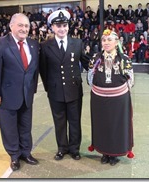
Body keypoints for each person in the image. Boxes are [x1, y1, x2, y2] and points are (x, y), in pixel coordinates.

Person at [0, 13, 40, 171]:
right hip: (7, 96)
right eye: (21, 25)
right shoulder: (0, 43)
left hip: (26, 95)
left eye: (27, 26)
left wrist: (33, 89)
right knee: (9, 128)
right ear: (11, 26)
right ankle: (14, 155)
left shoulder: (33, 44)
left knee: (25, 126)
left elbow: (33, 70)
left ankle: (26, 152)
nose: (24, 29)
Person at [39, 10, 89, 161]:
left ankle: (74, 148)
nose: (62, 29)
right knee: (59, 121)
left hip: (74, 89)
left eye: (65, 25)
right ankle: (62, 148)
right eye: (58, 26)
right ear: (52, 28)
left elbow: (88, 63)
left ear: (68, 26)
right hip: (55, 90)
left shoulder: (77, 43)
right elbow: (43, 70)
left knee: (75, 120)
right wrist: (49, 88)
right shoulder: (45, 46)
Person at [87, 29, 134, 166]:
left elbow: (130, 78)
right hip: (99, 99)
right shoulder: (95, 58)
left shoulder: (124, 59)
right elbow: (90, 77)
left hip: (119, 100)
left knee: (117, 126)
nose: (106, 42)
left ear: (116, 42)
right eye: (103, 40)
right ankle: (104, 152)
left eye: (109, 40)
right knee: (101, 125)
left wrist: (119, 92)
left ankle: (115, 153)